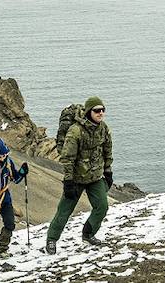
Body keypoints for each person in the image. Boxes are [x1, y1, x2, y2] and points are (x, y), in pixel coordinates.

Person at [45, 96, 113, 254]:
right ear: (89, 112)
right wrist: (68, 181)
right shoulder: (75, 131)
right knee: (64, 211)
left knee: (102, 207)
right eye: (97, 110)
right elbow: (67, 158)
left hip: (95, 177)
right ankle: (51, 240)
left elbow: (107, 151)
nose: (101, 113)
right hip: (76, 179)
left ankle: (88, 235)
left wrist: (108, 172)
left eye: (103, 110)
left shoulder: (103, 128)